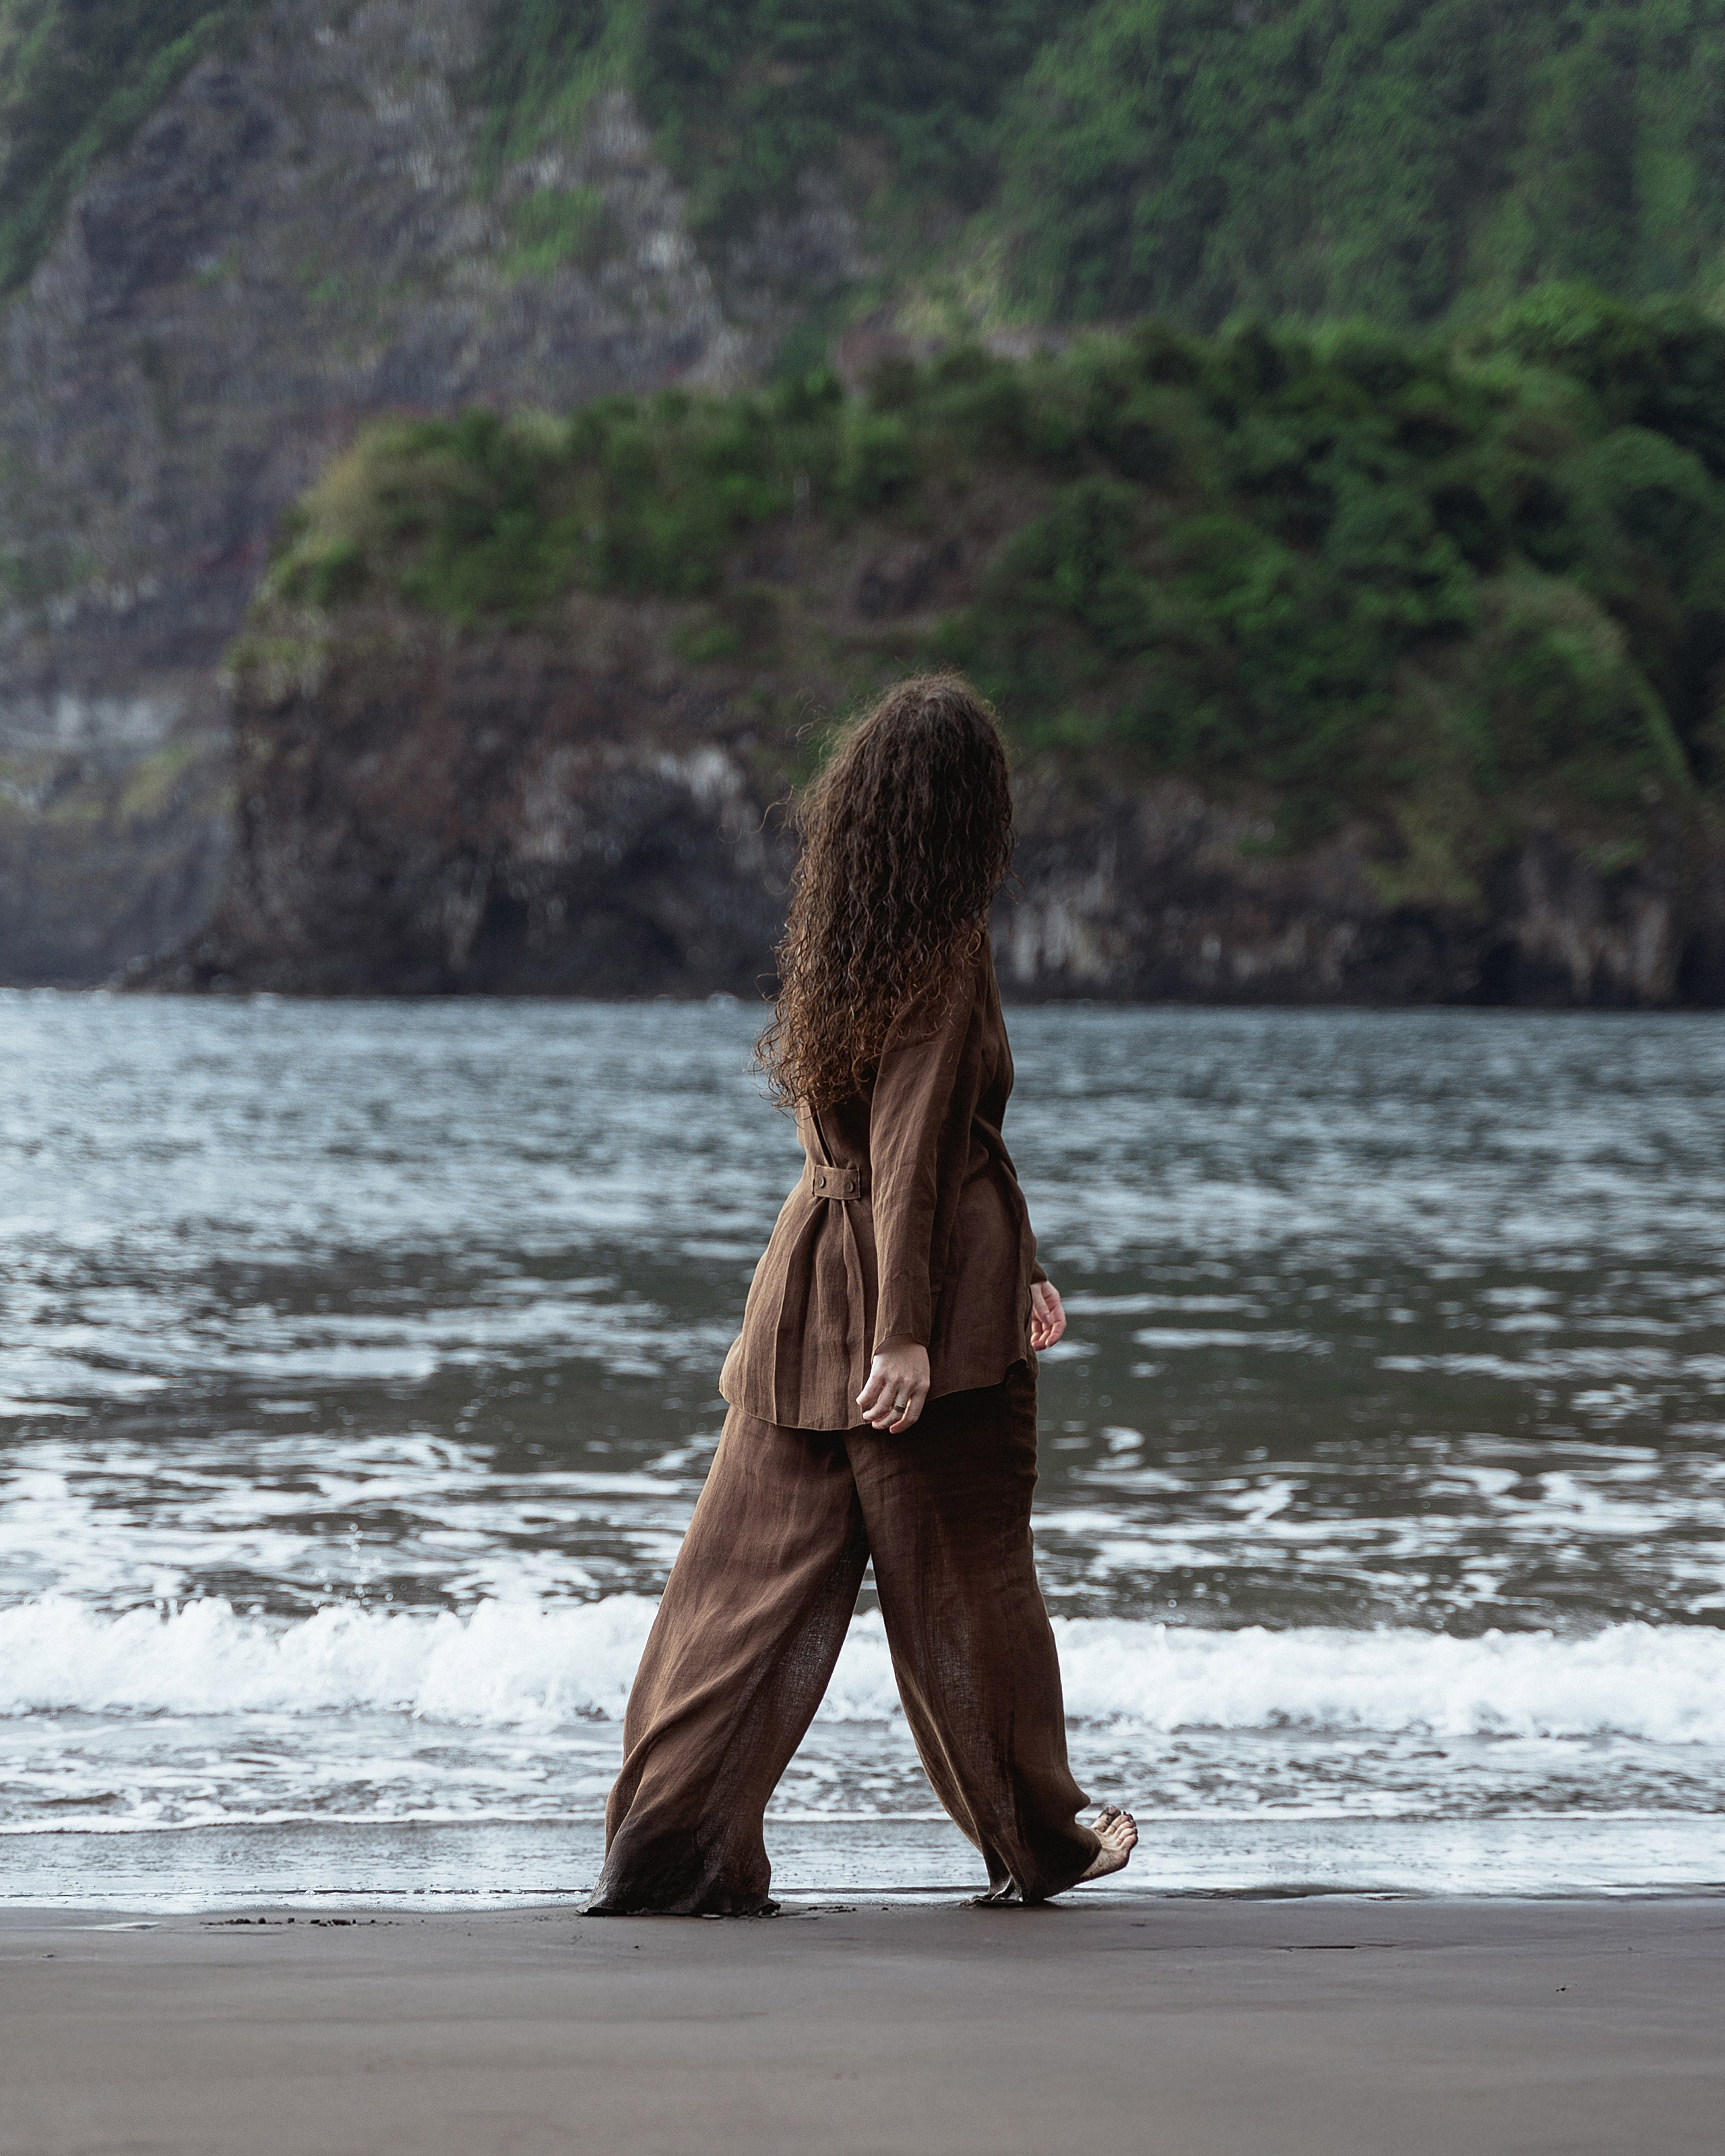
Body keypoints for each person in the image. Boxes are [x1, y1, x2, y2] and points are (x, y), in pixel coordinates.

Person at [588, 673, 1137, 1915]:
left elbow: (903, 1148)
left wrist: (1027, 1265)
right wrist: (906, 1338)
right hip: (925, 1317)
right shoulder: (946, 949)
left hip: (805, 1296)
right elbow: (917, 1152)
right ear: (971, 816)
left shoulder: (840, 933)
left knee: (735, 1591)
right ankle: (1040, 1843)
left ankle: (668, 1850)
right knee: (974, 1585)